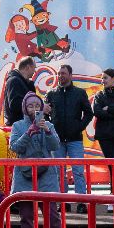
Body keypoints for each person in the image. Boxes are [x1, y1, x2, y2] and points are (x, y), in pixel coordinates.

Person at [8, 92, 63, 228]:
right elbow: (15, 147)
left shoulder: (49, 125)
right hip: (25, 175)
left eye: (37, 106)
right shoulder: (18, 126)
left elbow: (55, 146)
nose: (34, 109)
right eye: (30, 106)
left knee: (52, 213)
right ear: (25, 108)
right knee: (26, 214)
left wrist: (47, 132)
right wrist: (29, 132)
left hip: (46, 174)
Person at [43, 64, 96, 194]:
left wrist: (79, 127)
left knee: (78, 171)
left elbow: (89, 113)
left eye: (63, 73)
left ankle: (81, 201)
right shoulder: (51, 94)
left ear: (70, 75)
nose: (60, 76)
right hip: (57, 141)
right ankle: (63, 201)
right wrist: (51, 129)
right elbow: (44, 114)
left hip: (75, 140)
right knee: (59, 172)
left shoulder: (80, 93)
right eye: (59, 73)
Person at [1, 57, 39, 127]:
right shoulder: (14, 80)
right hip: (18, 128)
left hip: (23, 126)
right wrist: (38, 106)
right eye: (34, 68)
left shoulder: (24, 83)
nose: (35, 71)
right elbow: (15, 105)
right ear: (28, 67)